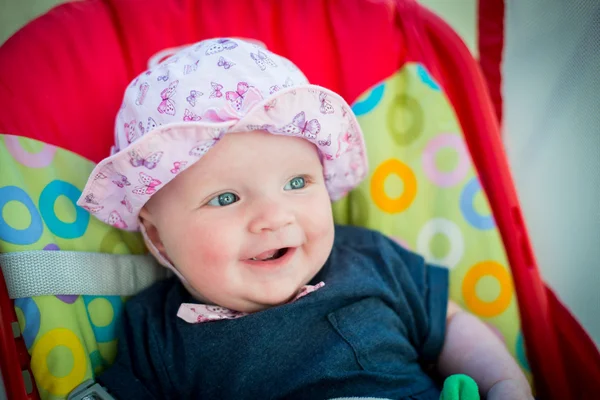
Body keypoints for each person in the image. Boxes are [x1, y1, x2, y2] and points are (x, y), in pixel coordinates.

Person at [77, 38, 532, 400]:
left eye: (297, 183)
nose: (274, 217)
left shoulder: (369, 258)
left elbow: (450, 324)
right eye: (226, 197)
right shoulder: (158, 333)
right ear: (157, 236)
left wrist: (502, 385)